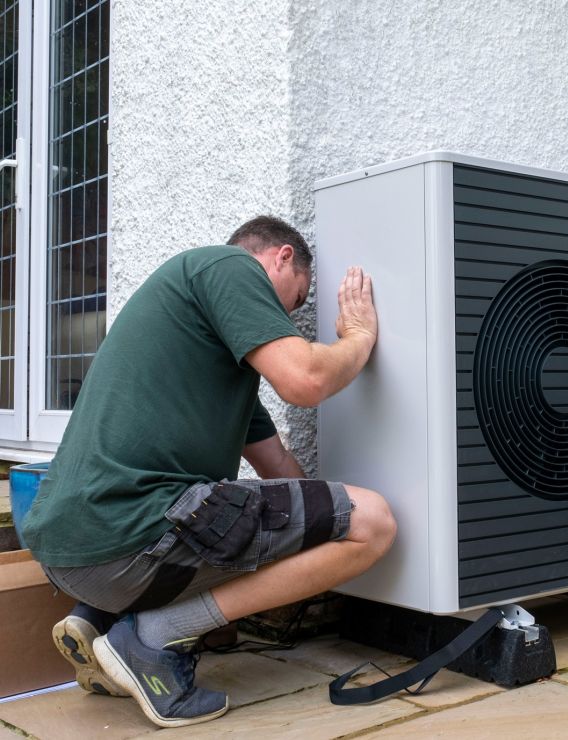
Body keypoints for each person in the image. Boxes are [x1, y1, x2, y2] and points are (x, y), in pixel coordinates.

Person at [21, 216, 397, 727]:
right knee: (372, 522)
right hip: (125, 538)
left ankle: (99, 619)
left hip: (75, 548)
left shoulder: (216, 363)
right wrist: (357, 337)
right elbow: (305, 380)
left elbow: (279, 469)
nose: (292, 312)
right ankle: (150, 640)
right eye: (299, 297)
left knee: (288, 521)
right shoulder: (227, 265)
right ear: (280, 257)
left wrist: (319, 528)